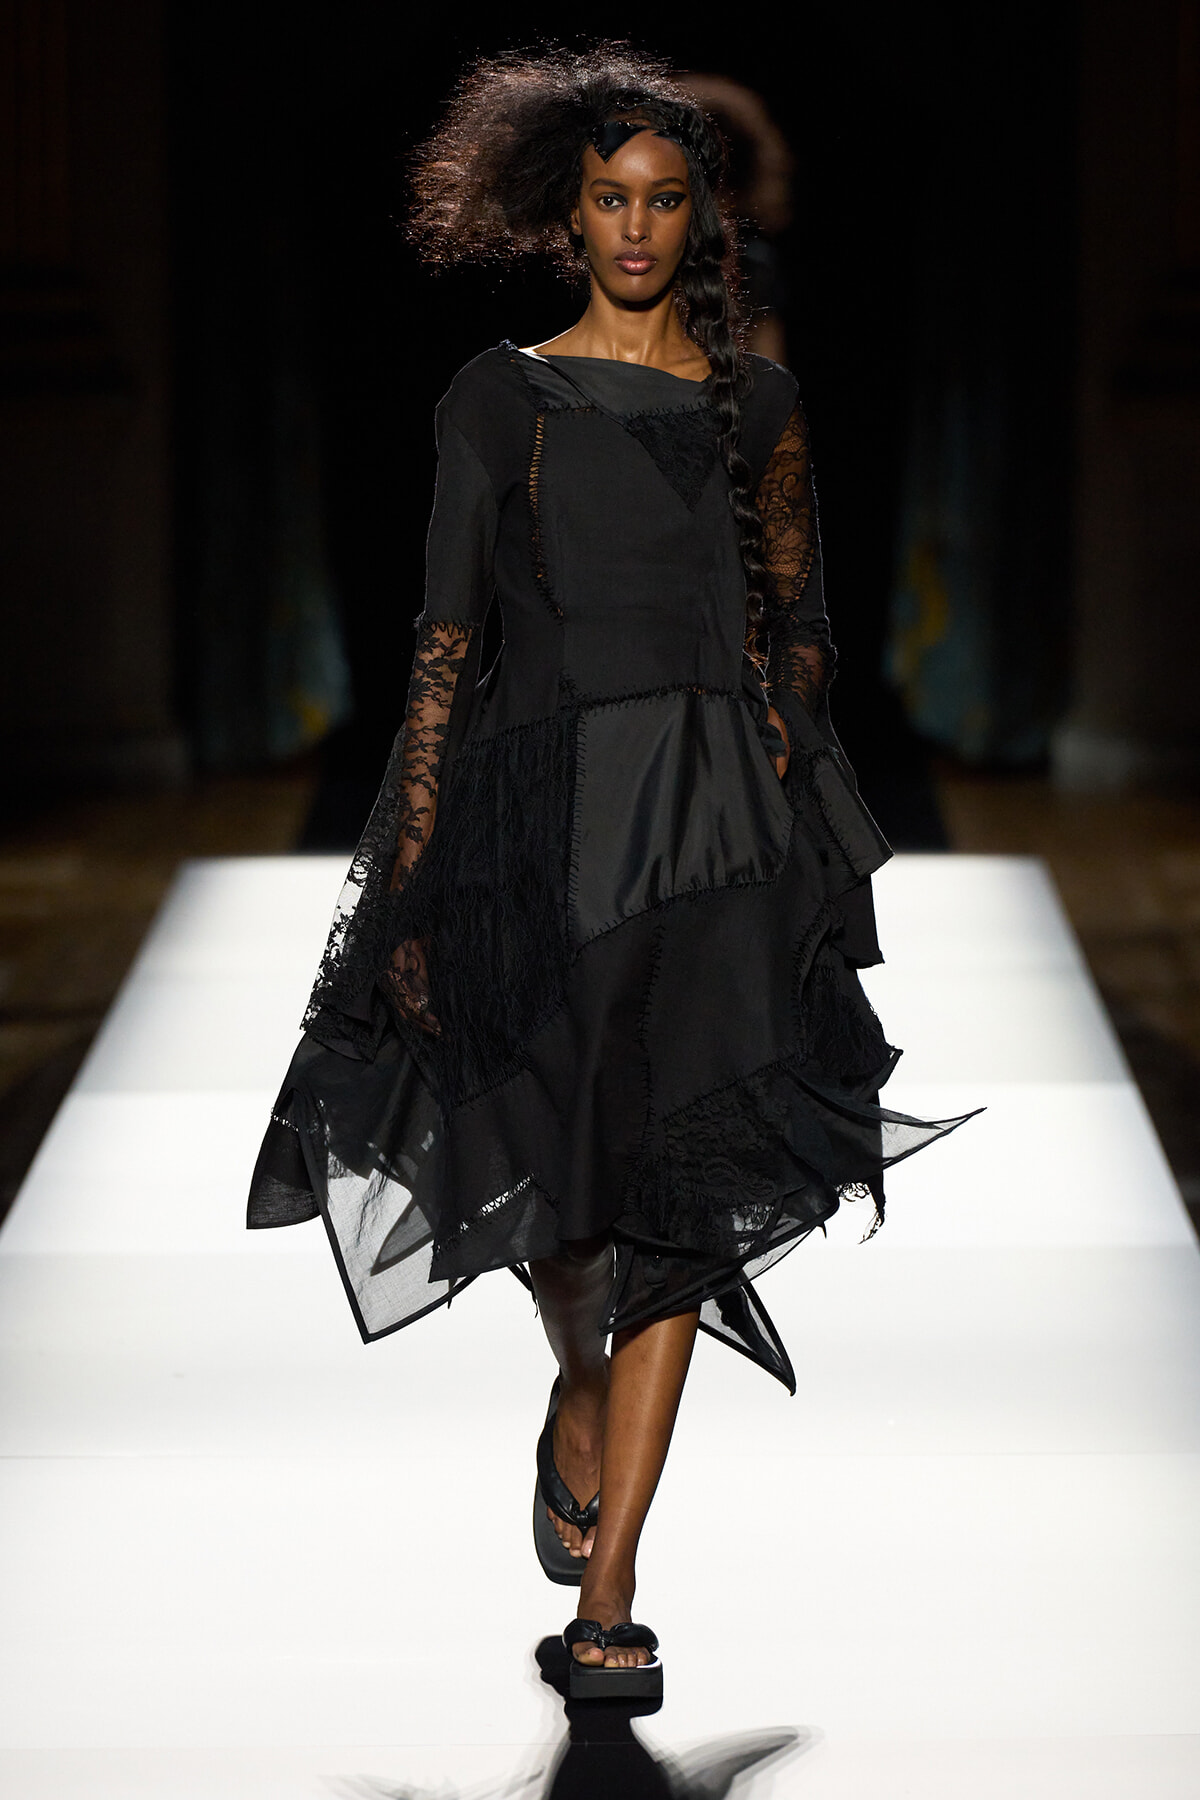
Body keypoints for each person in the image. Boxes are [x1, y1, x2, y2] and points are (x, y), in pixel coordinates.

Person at [246, 45, 976, 1699]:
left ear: (699, 218)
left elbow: (803, 619)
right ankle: (577, 1387)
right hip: (542, 822)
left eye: (662, 201)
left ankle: (614, 1592)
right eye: (607, 201)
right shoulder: (498, 399)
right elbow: (446, 648)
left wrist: (784, 745)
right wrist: (411, 874)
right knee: (568, 1199)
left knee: (679, 1204)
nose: (635, 229)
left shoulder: (755, 407)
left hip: (717, 837)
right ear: (563, 216)